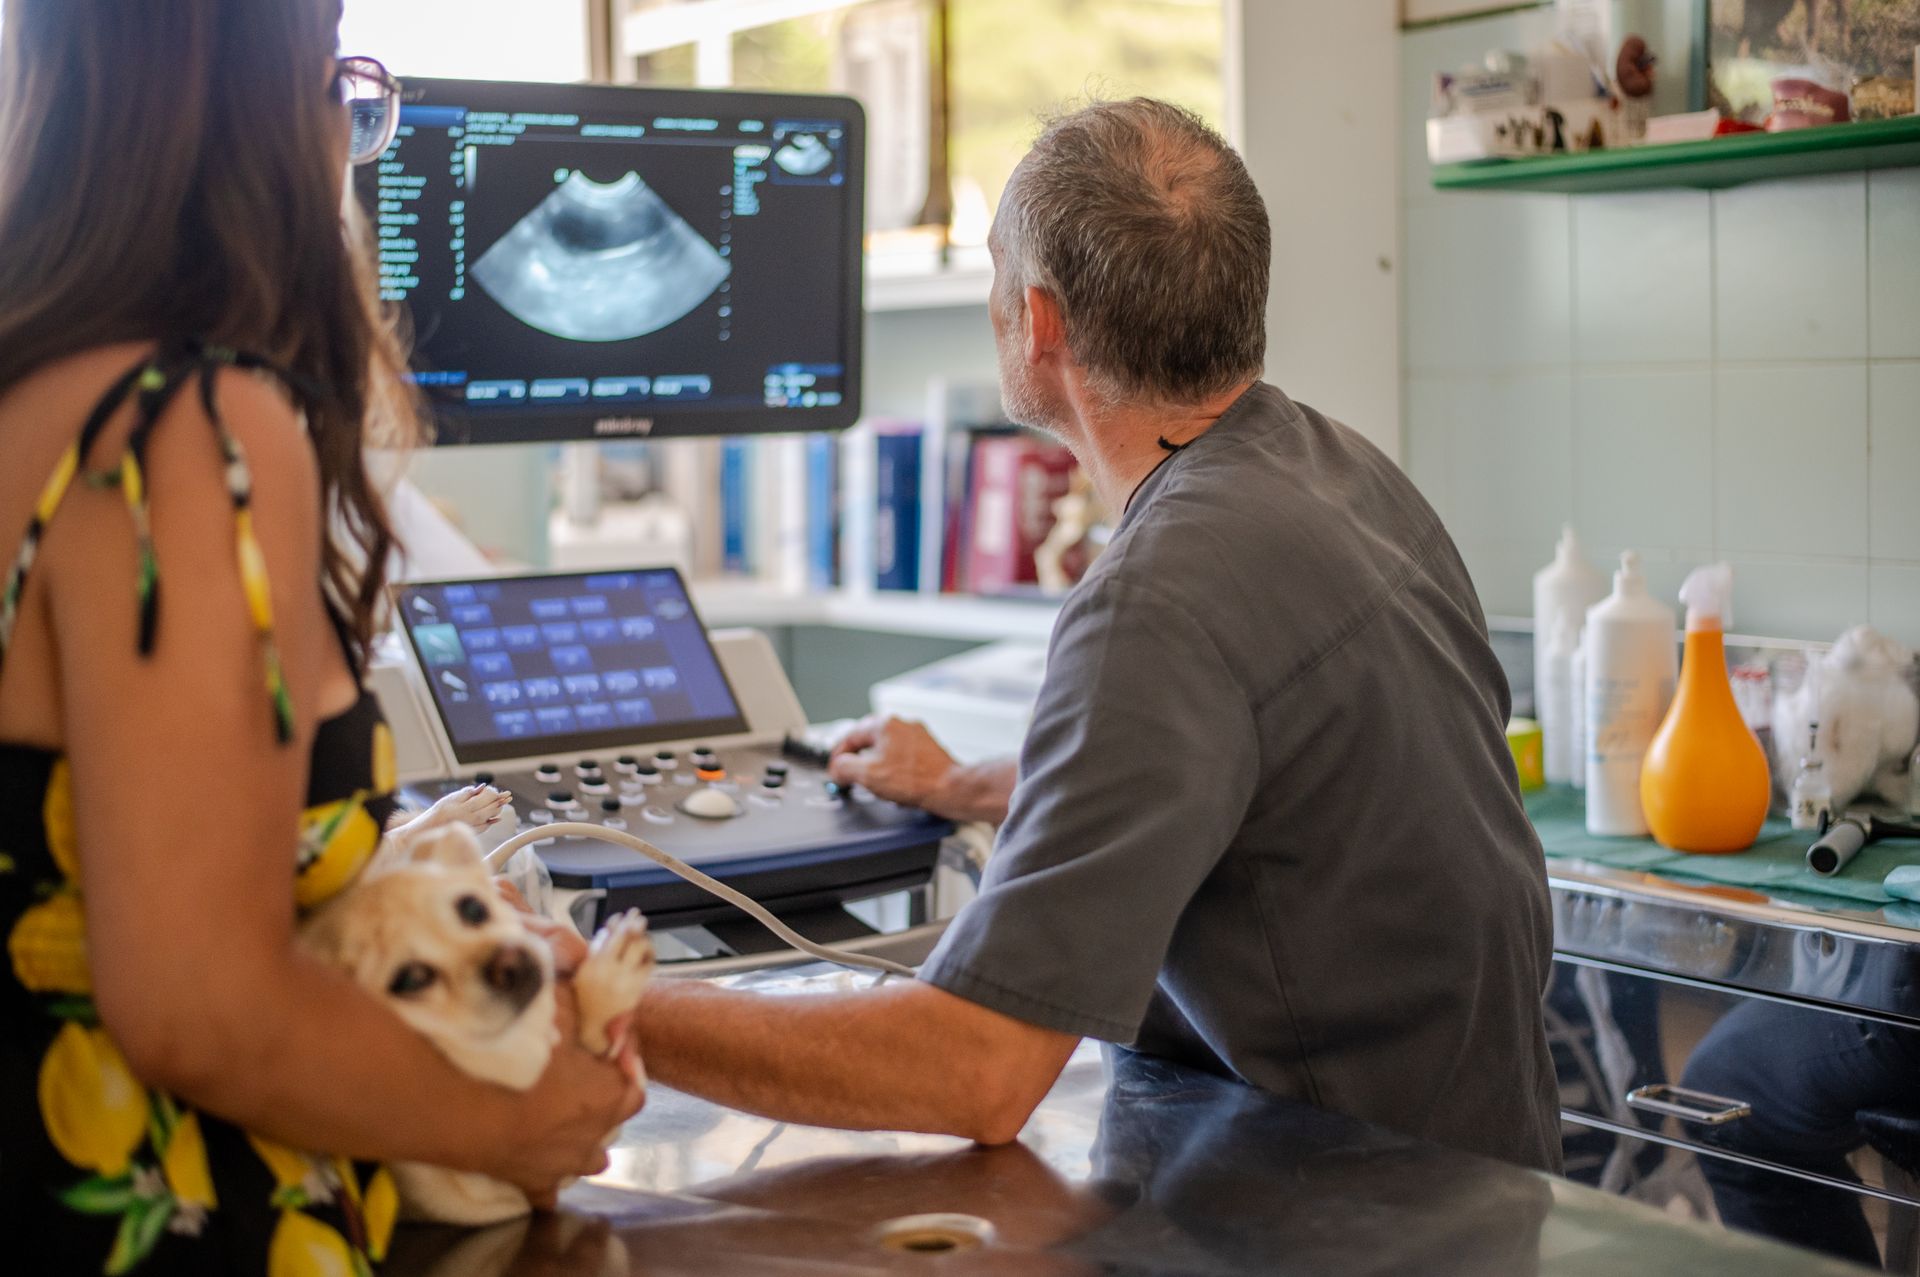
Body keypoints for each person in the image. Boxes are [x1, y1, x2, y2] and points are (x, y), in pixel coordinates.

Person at [633, 98, 1562, 1173]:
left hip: (1349, 1209)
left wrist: (597, 1000)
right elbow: (1236, 767)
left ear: (1039, 321)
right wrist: (967, 783)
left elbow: (976, 1071)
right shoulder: (1341, 471)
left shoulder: (1158, 593)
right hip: (1489, 1176)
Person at [0, 3, 640, 1270]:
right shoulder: (188, 434)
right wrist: (521, 1120)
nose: (349, 120)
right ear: (246, 95)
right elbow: (200, 1005)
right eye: (334, 67)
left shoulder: (38, 389)